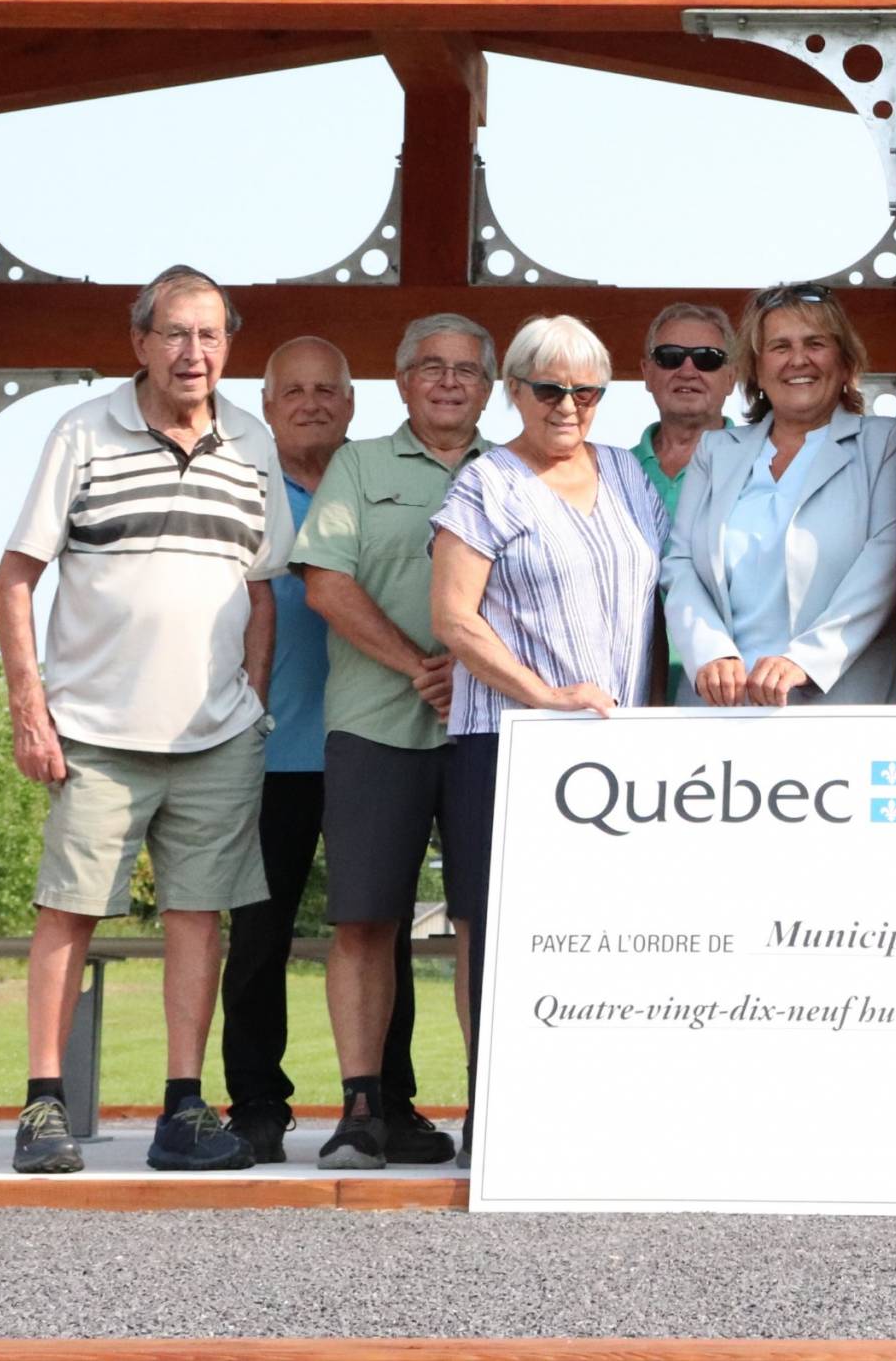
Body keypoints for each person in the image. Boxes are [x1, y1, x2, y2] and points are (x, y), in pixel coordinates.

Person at [0, 266, 290, 1175]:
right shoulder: (82, 431)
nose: (191, 352)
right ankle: (44, 1108)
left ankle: (182, 1111)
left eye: (208, 335)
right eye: (173, 333)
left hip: (217, 737)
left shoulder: (253, 440)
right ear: (139, 342)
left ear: (227, 346)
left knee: (199, 919)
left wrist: (253, 704)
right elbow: (14, 578)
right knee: (67, 913)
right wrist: (29, 710)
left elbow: (261, 588)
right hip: (92, 731)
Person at [431, 314, 665, 1161]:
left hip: (618, 754)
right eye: (548, 387)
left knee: (607, 930)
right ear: (514, 392)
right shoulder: (485, 484)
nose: (567, 405)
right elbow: (453, 617)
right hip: (510, 744)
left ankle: (592, 1111)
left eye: (586, 390)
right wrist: (544, 696)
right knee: (497, 932)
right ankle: (492, 1115)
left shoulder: (630, 479)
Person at [288, 315, 496, 1169]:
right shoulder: (359, 463)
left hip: (489, 728)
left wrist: (478, 673)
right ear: (403, 382)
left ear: (488, 386)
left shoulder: (515, 467)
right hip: (376, 722)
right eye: (430, 367)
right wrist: (420, 665)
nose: (449, 381)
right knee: (365, 919)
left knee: (487, 922)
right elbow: (325, 584)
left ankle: (497, 1103)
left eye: (466, 370)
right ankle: (362, 1108)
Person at [217, 335, 432, 1166]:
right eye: (293, 390)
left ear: (352, 402)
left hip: (367, 737)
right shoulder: (241, 484)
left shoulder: (372, 481)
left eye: (327, 390)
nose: (311, 401)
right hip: (263, 749)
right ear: (266, 403)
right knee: (258, 938)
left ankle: (393, 1102)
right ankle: (257, 1106)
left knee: (381, 934)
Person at [665, 285, 896, 708]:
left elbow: (886, 560)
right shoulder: (716, 452)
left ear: (845, 360)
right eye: (780, 346)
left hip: (840, 707)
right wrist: (711, 652)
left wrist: (805, 661)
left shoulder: (886, 444)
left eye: (816, 344)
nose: (799, 360)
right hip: (722, 710)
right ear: (755, 368)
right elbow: (681, 562)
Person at [631, 302, 738, 702]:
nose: (688, 370)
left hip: (730, 689)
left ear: (732, 376)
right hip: (623, 692)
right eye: (670, 357)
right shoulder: (604, 474)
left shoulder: (767, 469)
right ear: (646, 373)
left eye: (708, 360)